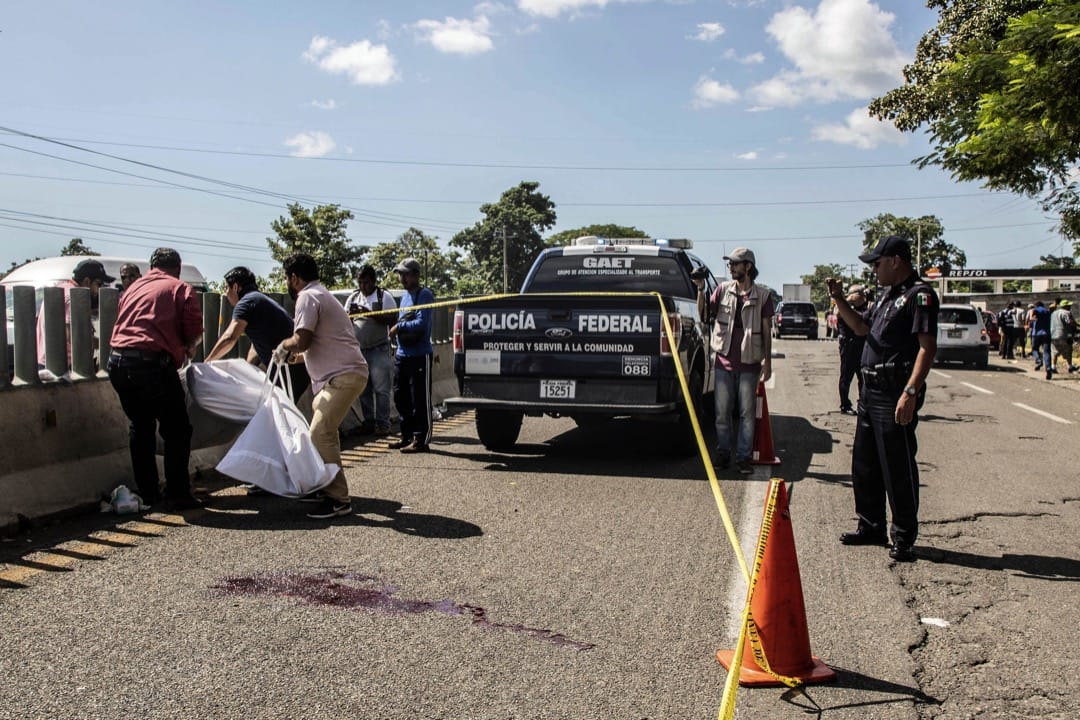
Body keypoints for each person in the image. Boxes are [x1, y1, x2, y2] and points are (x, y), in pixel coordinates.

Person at [827, 235, 938, 563]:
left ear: (896, 261)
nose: (874, 270)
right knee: (865, 463)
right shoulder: (887, 296)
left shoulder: (919, 296)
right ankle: (870, 525)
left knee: (897, 466)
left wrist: (911, 392)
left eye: (877, 263)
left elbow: (927, 348)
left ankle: (903, 536)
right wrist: (838, 299)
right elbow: (861, 328)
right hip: (870, 391)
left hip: (895, 392)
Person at [107, 248, 204, 510]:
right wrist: (189, 347)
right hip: (151, 365)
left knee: (140, 426)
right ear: (178, 268)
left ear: (151, 267)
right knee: (177, 429)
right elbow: (194, 331)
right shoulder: (180, 288)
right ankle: (178, 494)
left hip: (117, 363)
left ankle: (148, 493)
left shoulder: (132, 289)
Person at [274, 253, 369, 520]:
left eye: (287, 278)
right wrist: (295, 357)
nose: (287, 283)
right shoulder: (322, 294)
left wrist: (283, 346)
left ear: (294, 278)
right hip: (340, 376)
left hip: (342, 377)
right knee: (326, 434)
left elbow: (302, 340)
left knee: (319, 433)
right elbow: (319, 344)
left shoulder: (307, 296)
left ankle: (338, 499)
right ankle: (324, 486)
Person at [695, 247, 773, 475]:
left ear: (748, 266)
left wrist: (768, 363)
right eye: (730, 264)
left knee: (746, 414)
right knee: (721, 413)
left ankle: (743, 458)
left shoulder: (763, 296)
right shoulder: (722, 290)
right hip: (723, 362)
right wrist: (700, 289)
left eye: (735, 264)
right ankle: (723, 453)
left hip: (750, 364)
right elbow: (704, 315)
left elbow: (767, 332)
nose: (731, 268)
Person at [204, 266, 310, 403]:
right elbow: (257, 344)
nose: (226, 293)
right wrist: (248, 369)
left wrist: (207, 363)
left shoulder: (246, 302)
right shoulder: (259, 300)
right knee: (270, 408)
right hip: (297, 370)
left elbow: (229, 338)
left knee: (274, 410)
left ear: (235, 287)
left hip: (288, 369)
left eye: (227, 288)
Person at [388, 257, 435, 454]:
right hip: (402, 354)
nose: (402, 278)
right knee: (401, 396)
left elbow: (422, 323)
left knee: (419, 399)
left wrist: (399, 327)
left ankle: (421, 438)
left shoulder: (424, 295)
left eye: (405, 274)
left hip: (419, 354)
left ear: (415, 275)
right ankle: (406, 435)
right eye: (400, 274)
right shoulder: (405, 297)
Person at [344, 265, 398, 436]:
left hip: (379, 348)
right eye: (360, 283)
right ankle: (369, 422)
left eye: (366, 283)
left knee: (381, 388)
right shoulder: (354, 297)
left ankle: (383, 423)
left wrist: (369, 313)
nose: (363, 286)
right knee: (364, 389)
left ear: (373, 281)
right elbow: (345, 320)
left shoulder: (384, 296)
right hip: (359, 349)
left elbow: (392, 318)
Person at [35, 258, 114, 371]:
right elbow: (73, 336)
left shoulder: (61, 288)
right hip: (61, 366)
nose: (99, 290)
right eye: (99, 284)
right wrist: (104, 344)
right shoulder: (74, 297)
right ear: (87, 281)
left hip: (46, 362)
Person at [837, 285, 868, 415]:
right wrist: (848, 300)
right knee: (846, 377)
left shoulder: (866, 306)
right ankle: (845, 405)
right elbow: (837, 312)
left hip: (863, 346)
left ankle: (863, 403)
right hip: (848, 347)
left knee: (864, 378)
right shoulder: (844, 306)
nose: (863, 296)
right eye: (860, 294)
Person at [1050, 299, 1077, 374]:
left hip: (1053, 335)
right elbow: (1069, 322)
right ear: (1065, 306)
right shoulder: (1067, 312)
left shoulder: (1053, 313)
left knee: (1054, 351)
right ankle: (1070, 367)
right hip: (1064, 335)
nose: (1070, 306)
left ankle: (1053, 367)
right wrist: (1075, 326)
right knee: (1068, 350)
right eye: (1069, 305)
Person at [1030, 301, 1052, 378]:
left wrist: (1032, 316)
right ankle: (1048, 367)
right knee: (1046, 352)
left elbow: (1032, 316)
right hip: (1046, 334)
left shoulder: (1036, 310)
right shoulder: (1047, 311)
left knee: (1034, 349)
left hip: (1036, 334)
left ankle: (1038, 360)